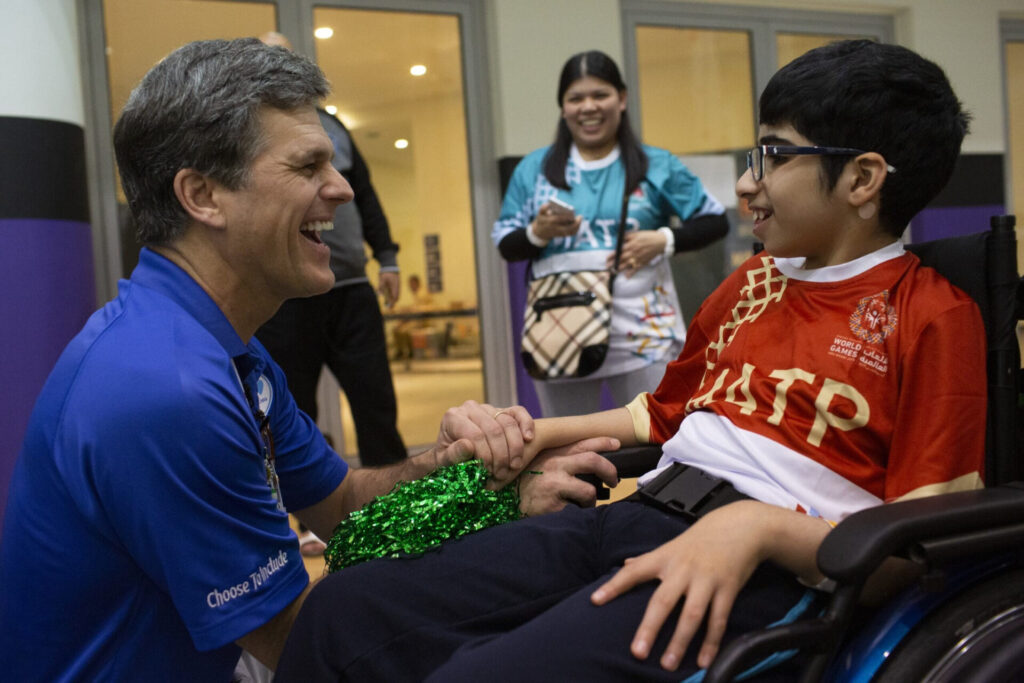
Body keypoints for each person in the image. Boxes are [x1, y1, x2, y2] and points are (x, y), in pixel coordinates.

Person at [274, 40, 986, 682]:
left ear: (862, 180)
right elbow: (661, 410)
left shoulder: (931, 314)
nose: (746, 182)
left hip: (765, 564)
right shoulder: (756, 282)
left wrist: (760, 527)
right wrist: (530, 433)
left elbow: (914, 542)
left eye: (773, 156)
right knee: (343, 608)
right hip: (640, 511)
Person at [0, 38, 616, 682]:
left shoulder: (219, 348)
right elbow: (314, 648)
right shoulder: (166, 387)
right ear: (203, 195)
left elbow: (343, 504)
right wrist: (516, 541)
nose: (343, 188)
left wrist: (466, 475)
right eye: (307, 166)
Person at [494, 50, 729, 417]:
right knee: (569, 455)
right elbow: (507, 246)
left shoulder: (656, 164)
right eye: (576, 98)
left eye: (600, 95)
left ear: (621, 99)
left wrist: (664, 240)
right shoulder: (533, 170)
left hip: (642, 334)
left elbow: (715, 221)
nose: (588, 106)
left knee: (661, 443)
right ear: (563, 108)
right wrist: (537, 232)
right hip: (560, 335)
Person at [253, 31, 406, 557]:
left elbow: (365, 196)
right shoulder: (250, 135)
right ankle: (306, 520)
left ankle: (401, 516)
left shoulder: (335, 126)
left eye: (286, 58)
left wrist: (386, 257)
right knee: (289, 412)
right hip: (287, 298)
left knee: (375, 404)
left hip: (352, 289)